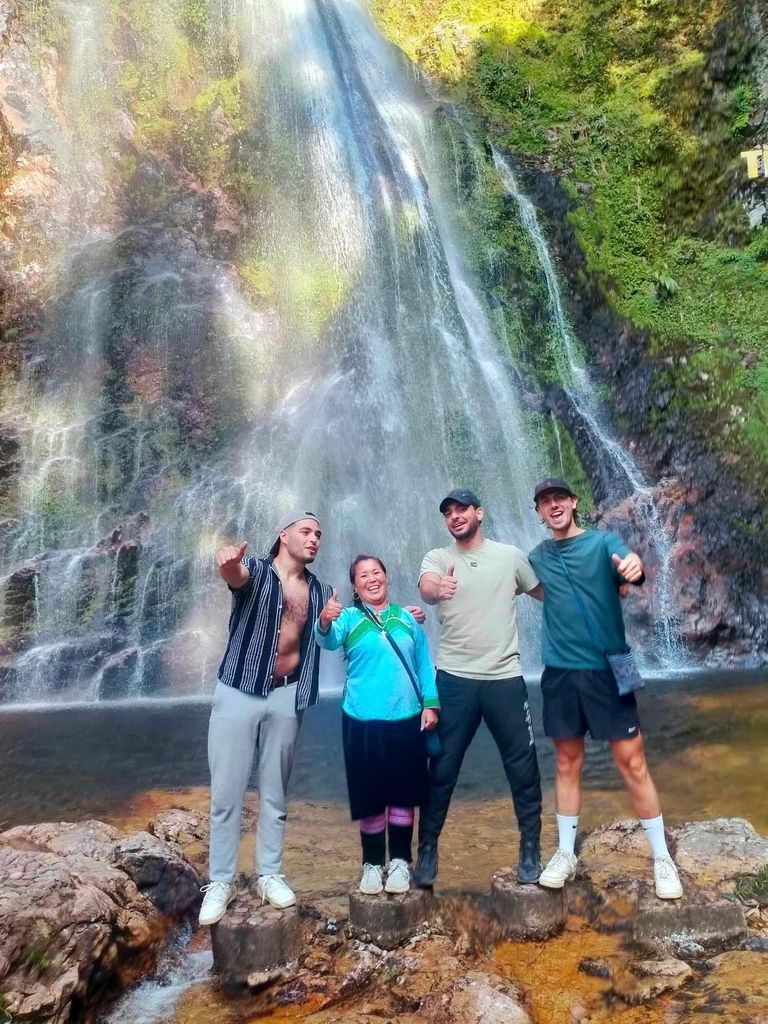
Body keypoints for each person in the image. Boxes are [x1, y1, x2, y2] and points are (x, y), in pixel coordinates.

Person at [528, 477, 683, 900]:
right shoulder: (537, 556)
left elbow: (626, 562)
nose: (554, 505)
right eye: (545, 502)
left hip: (606, 669)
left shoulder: (601, 542)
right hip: (559, 674)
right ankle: (565, 852)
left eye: (559, 498)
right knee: (566, 761)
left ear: (574, 503)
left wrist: (632, 565)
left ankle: (662, 858)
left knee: (632, 761)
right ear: (539, 513)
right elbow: (530, 588)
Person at [198, 510, 332, 926]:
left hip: (287, 696)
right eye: (306, 531)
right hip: (239, 690)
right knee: (226, 793)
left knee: (275, 793)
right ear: (283, 535)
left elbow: (328, 636)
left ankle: (269, 874)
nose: (313, 539)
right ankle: (220, 881)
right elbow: (235, 577)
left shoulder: (321, 589)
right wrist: (228, 564)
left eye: (318, 534)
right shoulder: (255, 569)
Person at [415, 488, 545, 888]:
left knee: (522, 765)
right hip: (454, 679)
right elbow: (427, 587)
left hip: (504, 678)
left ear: (479, 512)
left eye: (462, 509)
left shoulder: (510, 557)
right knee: (442, 769)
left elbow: (546, 593)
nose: (455, 516)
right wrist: (438, 591)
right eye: (448, 512)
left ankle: (530, 848)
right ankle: (428, 850)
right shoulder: (439, 558)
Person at [315, 555, 439, 895]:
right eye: (363, 576)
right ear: (354, 586)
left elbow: (424, 664)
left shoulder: (406, 618)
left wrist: (431, 704)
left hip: (407, 716)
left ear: (386, 576)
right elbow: (326, 640)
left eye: (377, 572)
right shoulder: (349, 618)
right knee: (370, 794)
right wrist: (324, 620)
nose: (372, 579)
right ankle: (371, 863)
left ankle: (399, 860)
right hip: (361, 719)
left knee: (403, 792)